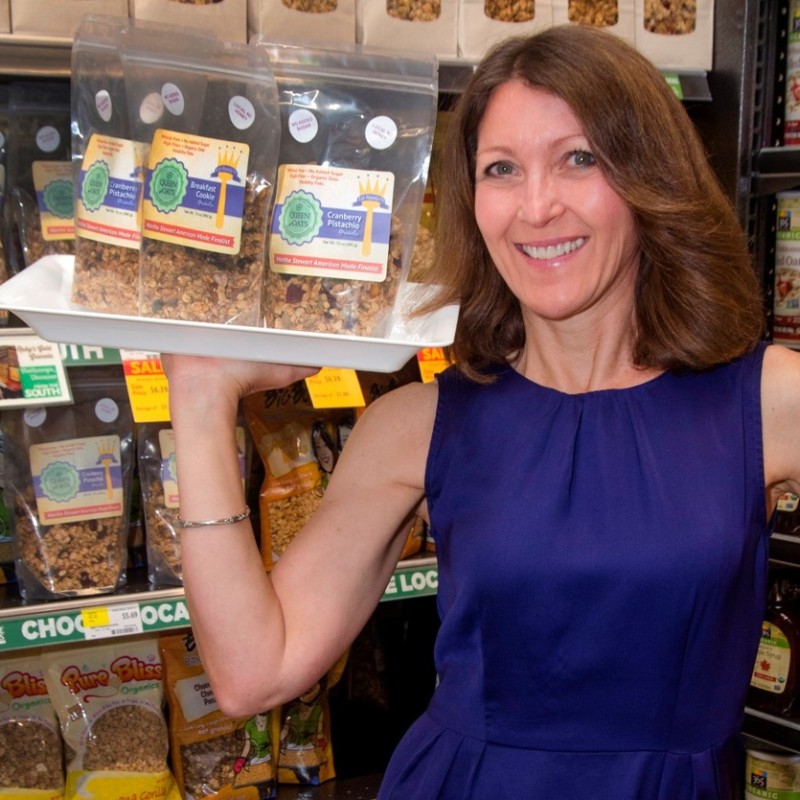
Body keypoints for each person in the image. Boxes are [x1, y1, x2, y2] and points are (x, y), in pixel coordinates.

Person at [161, 24, 800, 798]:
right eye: (502, 169)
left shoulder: (765, 400)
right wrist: (198, 399)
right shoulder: (416, 425)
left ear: (647, 176)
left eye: (579, 159)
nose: (537, 207)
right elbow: (251, 674)